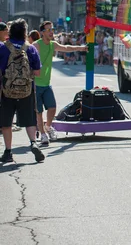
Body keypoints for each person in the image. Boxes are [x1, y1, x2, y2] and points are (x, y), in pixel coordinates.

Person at [33, 21, 87, 144]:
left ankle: (48, 127)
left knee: (52, 108)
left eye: (52, 29)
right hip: (36, 84)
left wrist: (81, 48)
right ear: (42, 33)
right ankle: (42, 134)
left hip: (46, 84)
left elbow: (66, 48)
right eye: (48, 30)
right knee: (39, 112)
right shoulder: (37, 45)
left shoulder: (53, 44)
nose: (51, 32)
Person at [0, 19, 45, 163]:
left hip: (6, 91)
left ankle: (8, 152)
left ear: (10, 31)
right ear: (25, 32)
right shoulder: (30, 48)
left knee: (6, 122)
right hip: (27, 90)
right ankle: (33, 143)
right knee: (29, 120)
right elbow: (37, 72)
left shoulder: (3, 48)